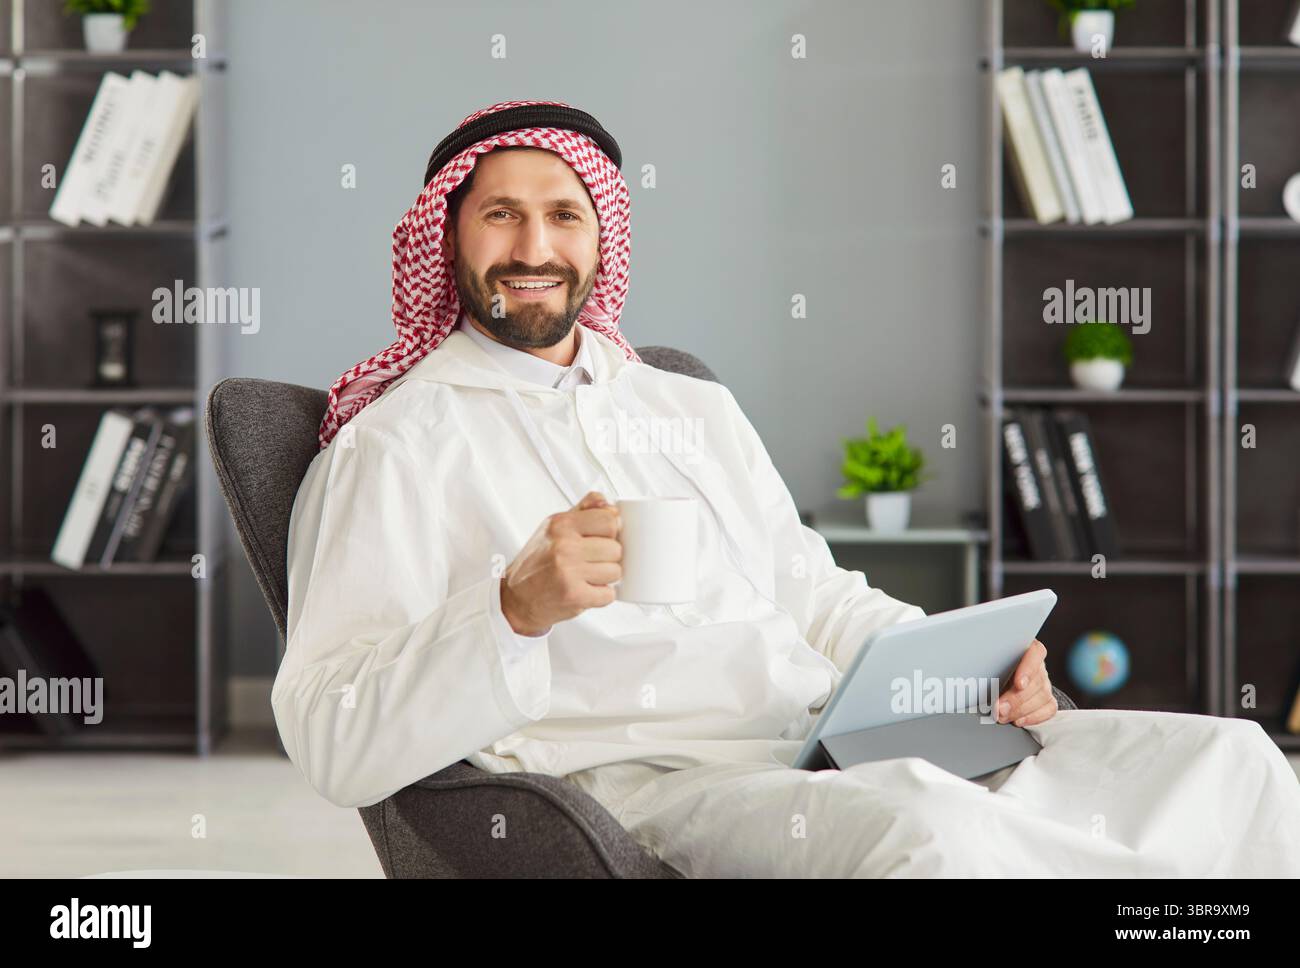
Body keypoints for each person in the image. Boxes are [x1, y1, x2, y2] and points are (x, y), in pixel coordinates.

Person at [273, 100, 1300, 876]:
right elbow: (327, 734)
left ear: (603, 236)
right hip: (666, 785)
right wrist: (505, 610)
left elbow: (816, 596)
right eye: (500, 216)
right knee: (937, 833)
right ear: (448, 236)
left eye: (562, 215)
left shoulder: (686, 407)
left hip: (832, 738)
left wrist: (970, 670)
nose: (535, 249)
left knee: (1233, 764)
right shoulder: (394, 445)